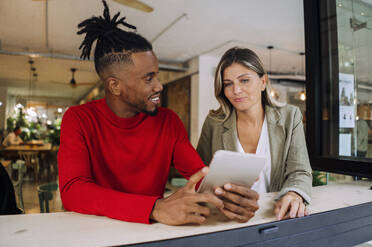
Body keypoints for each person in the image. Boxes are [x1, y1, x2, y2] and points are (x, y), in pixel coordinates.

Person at [58, 1, 259, 225]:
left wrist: (230, 195)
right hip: (94, 232)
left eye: (156, 75)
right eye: (148, 78)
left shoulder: (168, 121)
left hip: (149, 233)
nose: (159, 86)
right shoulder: (78, 119)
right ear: (114, 86)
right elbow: (73, 190)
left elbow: (198, 175)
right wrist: (154, 208)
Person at [197, 47, 312, 221]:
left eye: (244, 80)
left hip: (274, 216)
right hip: (227, 217)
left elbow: (300, 170)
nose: (236, 90)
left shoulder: (290, 116)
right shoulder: (214, 122)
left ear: (263, 82)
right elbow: (200, 175)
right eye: (228, 83)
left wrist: (294, 193)